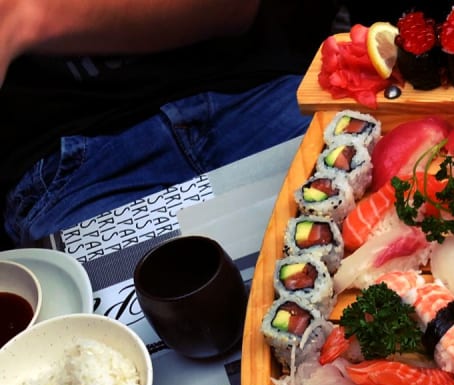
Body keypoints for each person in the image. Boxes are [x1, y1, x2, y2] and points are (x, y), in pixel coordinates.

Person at [0, 0, 340, 247]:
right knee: (107, 339)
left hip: (244, 96)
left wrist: (25, 16)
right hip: (66, 166)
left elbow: (233, 8)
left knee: (374, 221)